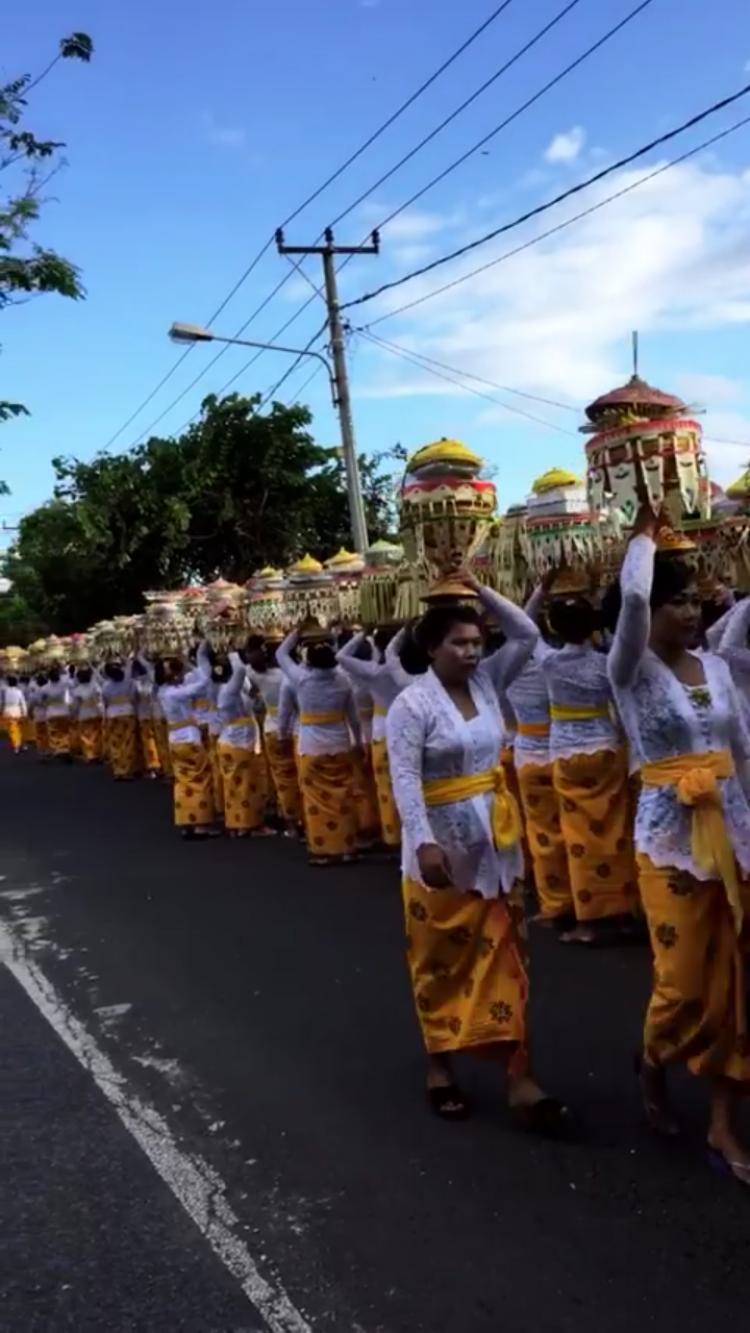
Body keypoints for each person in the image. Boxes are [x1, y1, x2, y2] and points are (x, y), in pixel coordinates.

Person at [387, 576, 568, 1131]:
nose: (471, 652)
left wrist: (479, 590)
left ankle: (520, 1075)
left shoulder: (490, 682)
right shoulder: (411, 704)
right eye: (458, 643)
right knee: (438, 959)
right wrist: (423, 842)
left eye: (475, 642)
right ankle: (439, 1064)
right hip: (440, 852)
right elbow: (405, 778)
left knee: (510, 957)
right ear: (431, 648)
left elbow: (527, 631)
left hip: (496, 844)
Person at [609, 507, 750, 1182]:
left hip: (736, 836)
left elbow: (742, 754)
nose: (688, 612)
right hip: (667, 839)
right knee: (685, 985)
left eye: (694, 598)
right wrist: (642, 537)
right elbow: (632, 598)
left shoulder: (718, 669)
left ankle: (723, 1123)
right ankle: (653, 1058)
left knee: (739, 984)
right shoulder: (629, 669)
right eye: (675, 601)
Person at [540, 569, 639, 944]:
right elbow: (622, 709)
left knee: (578, 838)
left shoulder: (548, 664)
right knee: (615, 832)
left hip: (565, 754)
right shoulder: (605, 664)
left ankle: (590, 921)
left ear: (555, 627)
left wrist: (542, 589)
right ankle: (624, 911)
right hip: (607, 750)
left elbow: (525, 631)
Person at [501, 595, 571, 930]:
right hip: (563, 751)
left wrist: (537, 594)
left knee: (542, 833)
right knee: (573, 828)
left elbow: (522, 629)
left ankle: (555, 902)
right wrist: (542, 592)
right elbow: (528, 630)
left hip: (528, 755)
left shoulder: (505, 673)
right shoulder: (553, 661)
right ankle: (581, 895)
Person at [277, 625, 362, 865]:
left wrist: (296, 632)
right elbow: (354, 718)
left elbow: (281, 655)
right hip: (340, 743)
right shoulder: (344, 680)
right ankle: (347, 847)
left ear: (308, 659)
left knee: (315, 799)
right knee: (343, 797)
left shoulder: (301, 679)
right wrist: (359, 742)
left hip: (311, 746)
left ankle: (323, 849)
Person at [336, 626, 410, 850]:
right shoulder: (412, 672)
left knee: (385, 788)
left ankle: (391, 837)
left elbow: (341, 656)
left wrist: (361, 633)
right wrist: (406, 630)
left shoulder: (372, 672)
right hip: (408, 730)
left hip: (380, 732)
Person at [156, 650, 217, 838]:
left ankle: (186, 821)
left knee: (182, 782)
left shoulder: (162, 692)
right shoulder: (175, 693)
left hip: (174, 739)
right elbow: (203, 683)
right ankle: (200, 825)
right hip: (189, 738)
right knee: (200, 779)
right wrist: (191, 663)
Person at [247, 639, 303, 835]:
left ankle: (291, 820)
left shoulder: (257, 675)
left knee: (282, 777)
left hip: (273, 730)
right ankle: (304, 816)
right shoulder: (292, 676)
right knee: (301, 776)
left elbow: (244, 666)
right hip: (296, 729)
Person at [216, 651, 273, 837]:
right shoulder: (229, 691)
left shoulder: (230, 691)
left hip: (233, 740)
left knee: (236, 785)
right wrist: (232, 652)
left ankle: (237, 823)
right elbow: (241, 670)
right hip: (238, 741)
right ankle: (248, 824)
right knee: (247, 785)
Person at [101, 660, 139, 780]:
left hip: (113, 714)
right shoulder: (129, 683)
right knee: (128, 742)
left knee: (115, 742)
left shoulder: (106, 686)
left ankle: (118, 769)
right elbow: (134, 697)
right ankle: (127, 769)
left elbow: (105, 701)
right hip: (128, 713)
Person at [133, 657, 162, 779]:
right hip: (156, 715)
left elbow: (134, 699)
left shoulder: (136, 683)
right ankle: (160, 766)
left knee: (149, 742)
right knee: (158, 742)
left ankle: (153, 766)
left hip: (145, 716)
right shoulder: (153, 681)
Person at [71, 665, 104, 763]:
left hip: (83, 714)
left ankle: (90, 755)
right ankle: (97, 753)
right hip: (95, 713)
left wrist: (74, 715)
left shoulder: (77, 690)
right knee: (97, 734)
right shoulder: (95, 687)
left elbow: (75, 706)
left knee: (86, 736)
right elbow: (100, 700)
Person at [43, 665, 73, 759]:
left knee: (54, 732)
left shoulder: (45, 688)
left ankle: (57, 748)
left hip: (51, 712)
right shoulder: (64, 684)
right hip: (64, 711)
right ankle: (65, 748)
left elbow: (42, 700)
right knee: (65, 731)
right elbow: (72, 684)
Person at [0, 675, 27, 753]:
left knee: (12, 729)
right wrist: (24, 712)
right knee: (20, 728)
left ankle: (17, 745)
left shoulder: (4, 692)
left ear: (8, 683)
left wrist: (1, 710)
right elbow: (23, 702)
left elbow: (1, 702)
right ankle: (22, 744)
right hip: (17, 711)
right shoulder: (19, 691)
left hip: (8, 711)